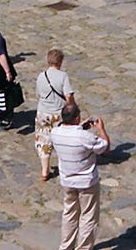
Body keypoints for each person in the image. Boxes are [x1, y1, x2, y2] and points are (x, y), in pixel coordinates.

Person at [52, 99, 110, 250]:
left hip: (67, 181)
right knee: (88, 217)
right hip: (86, 182)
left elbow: (69, 133)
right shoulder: (85, 137)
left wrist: (79, 127)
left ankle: (66, 246)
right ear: (77, 117)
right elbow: (105, 147)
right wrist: (101, 129)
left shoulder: (55, 133)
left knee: (69, 214)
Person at [35, 48, 76, 181]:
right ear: (60, 62)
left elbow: (38, 95)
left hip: (43, 112)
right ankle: (66, 166)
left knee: (43, 141)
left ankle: (44, 170)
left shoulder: (41, 76)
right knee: (62, 140)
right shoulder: (63, 76)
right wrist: (72, 106)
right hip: (58, 113)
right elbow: (68, 95)